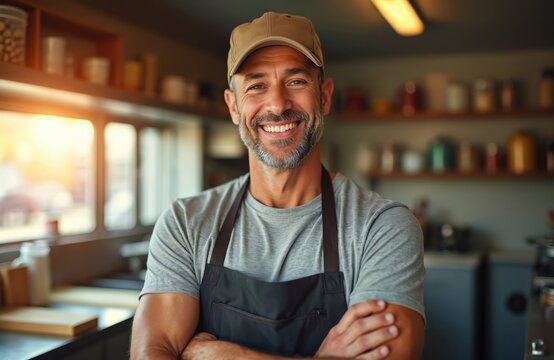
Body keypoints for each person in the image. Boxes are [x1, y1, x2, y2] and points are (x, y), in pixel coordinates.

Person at [130, 11, 425, 360]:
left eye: (297, 81)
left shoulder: (383, 227)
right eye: (256, 86)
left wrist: (219, 354)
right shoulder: (185, 223)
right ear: (234, 107)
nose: (278, 104)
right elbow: (153, 352)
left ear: (325, 97)